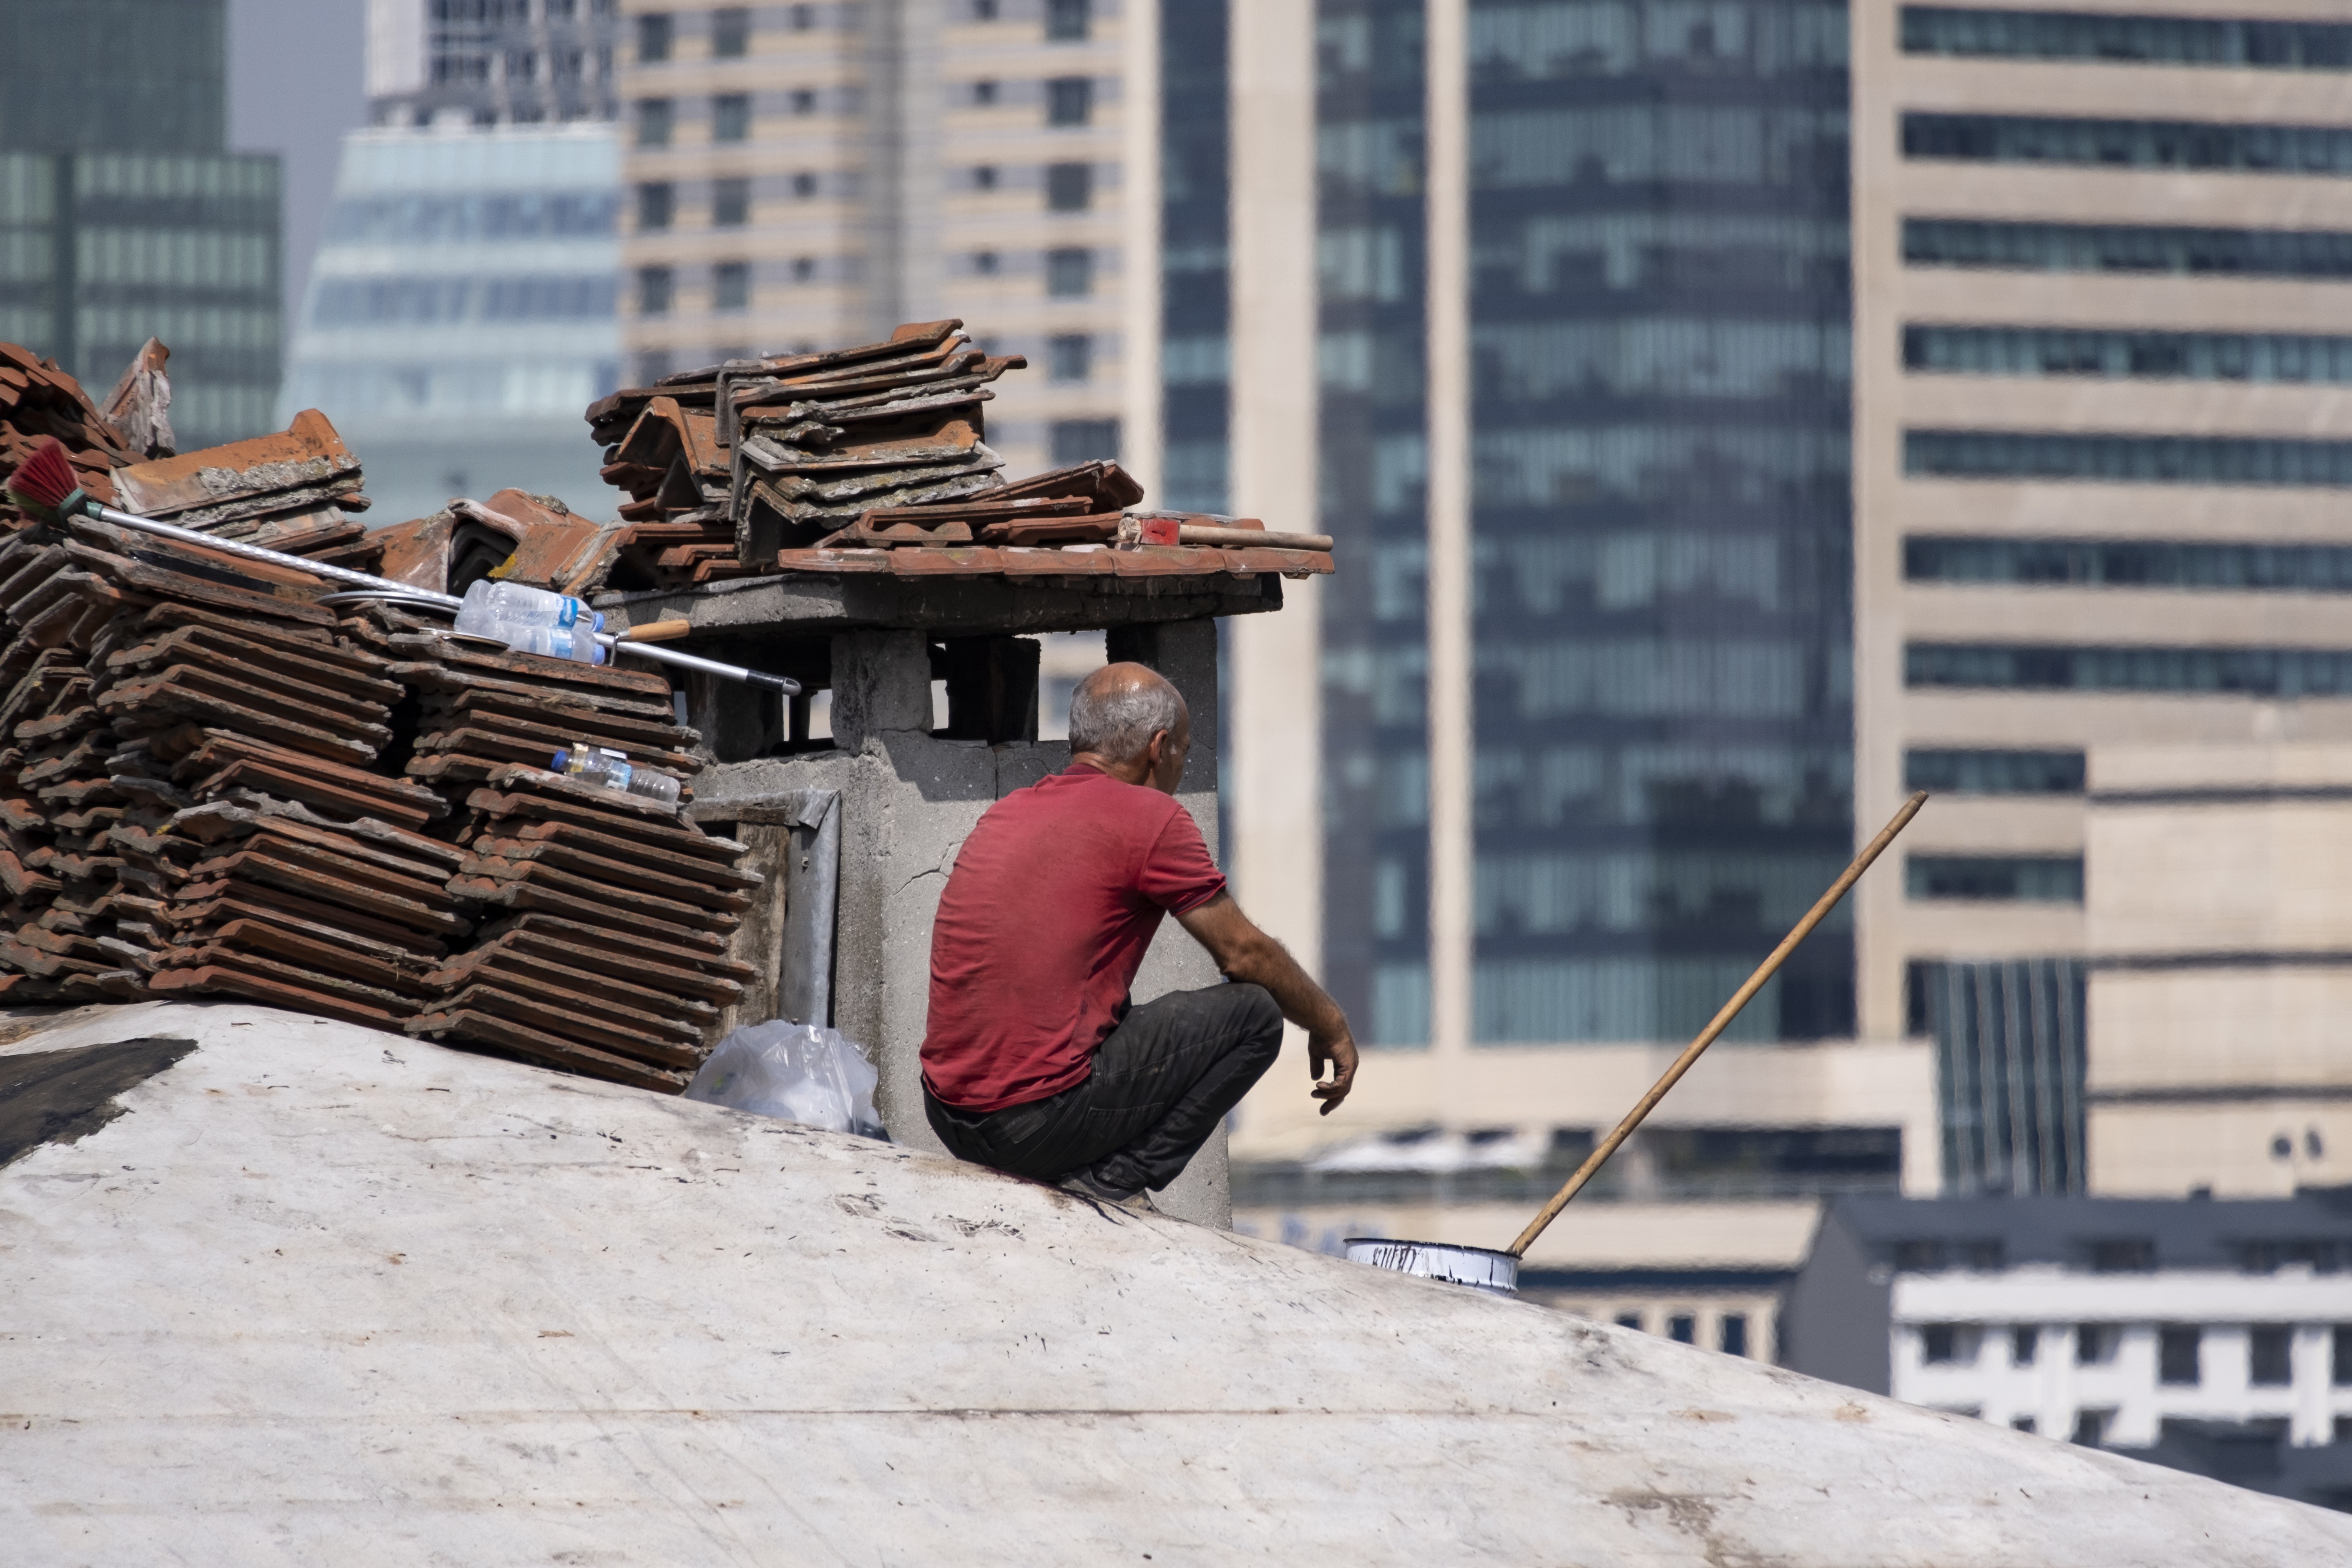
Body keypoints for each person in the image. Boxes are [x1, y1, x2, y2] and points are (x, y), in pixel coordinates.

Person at [920, 660, 1359, 1211]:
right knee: (1255, 1016)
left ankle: (1082, 1160)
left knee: (1113, 1005)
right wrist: (1330, 1024)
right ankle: (1114, 1180)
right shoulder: (1152, 817)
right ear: (1159, 747)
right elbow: (1244, 953)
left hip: (947, 1113)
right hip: (1029, 1125)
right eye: (1184, 751)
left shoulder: (1009, 811)